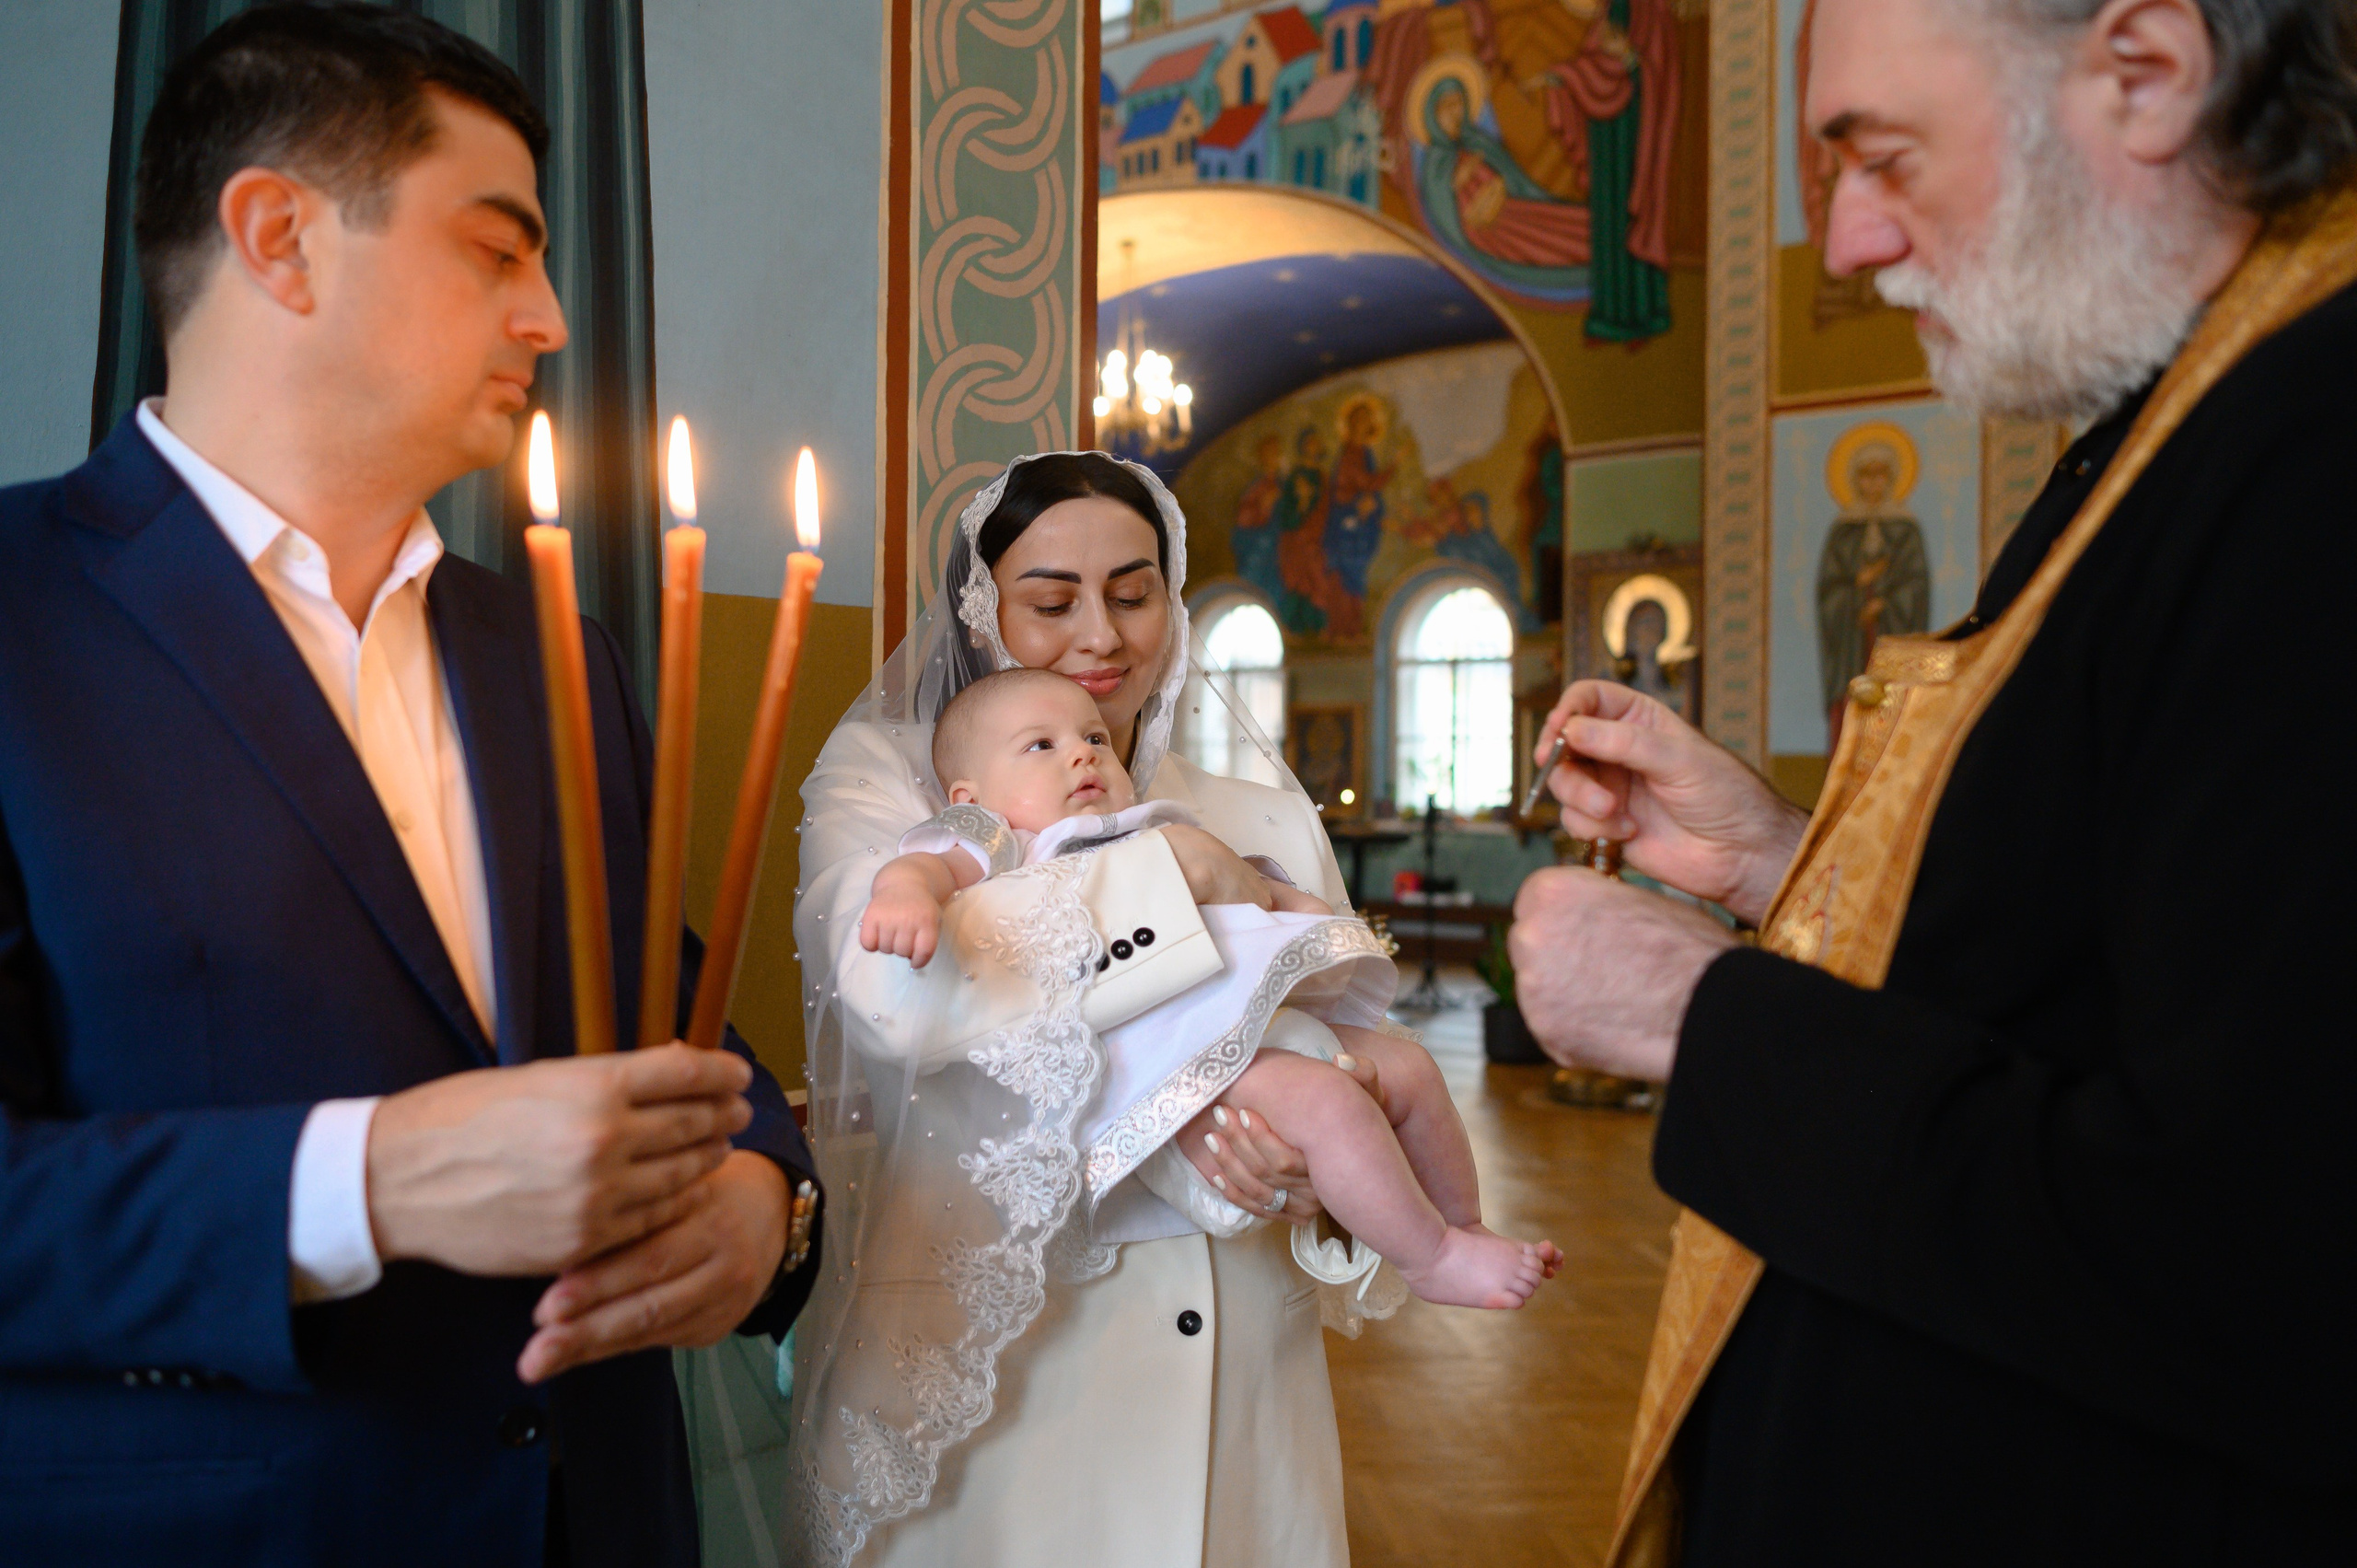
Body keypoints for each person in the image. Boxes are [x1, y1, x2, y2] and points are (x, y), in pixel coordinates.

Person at [1508, 1, 2357, 1563]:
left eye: (1883, 156)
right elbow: (2102, 937)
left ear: (2146, 71)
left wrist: (1706, 1020)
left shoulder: (2317, 446)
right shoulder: (2180, 416)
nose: (1840, 239)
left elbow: (2266, 1259)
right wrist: (1782, 861)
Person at [0, 7, 819, 1563]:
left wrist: (760, 1204)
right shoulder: (15, 612)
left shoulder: (553, 651)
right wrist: (372, 1178)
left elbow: (684, 1026)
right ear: (281, 235)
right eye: (498, 250)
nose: (552, 318)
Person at [785, 452, 1405, 1567]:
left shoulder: (1260, 811)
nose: (1102, 636)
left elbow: (1358, 1036)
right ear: (981, 611)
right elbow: (896, 1001)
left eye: (1132, 593)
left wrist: (1323, 1188)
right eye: (1051, 600)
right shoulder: (887, 779)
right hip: (1013, 1383)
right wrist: (1183, 877)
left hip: (1239, 1379)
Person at [862, 668, 1558, 1312]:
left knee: (1410, 1066)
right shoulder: (1001, 836)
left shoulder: (1151, 822)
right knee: (1327, 1104)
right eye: (1041, 745)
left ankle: (1463, 1221)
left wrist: (1286, 903)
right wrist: (904, 896)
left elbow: (1241, 883)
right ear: (968, 796)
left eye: (1094, 737)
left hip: (1249, 1014)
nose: (1082, 754)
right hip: (1174, 1047)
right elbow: (929, 869)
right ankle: (1430, 1257)